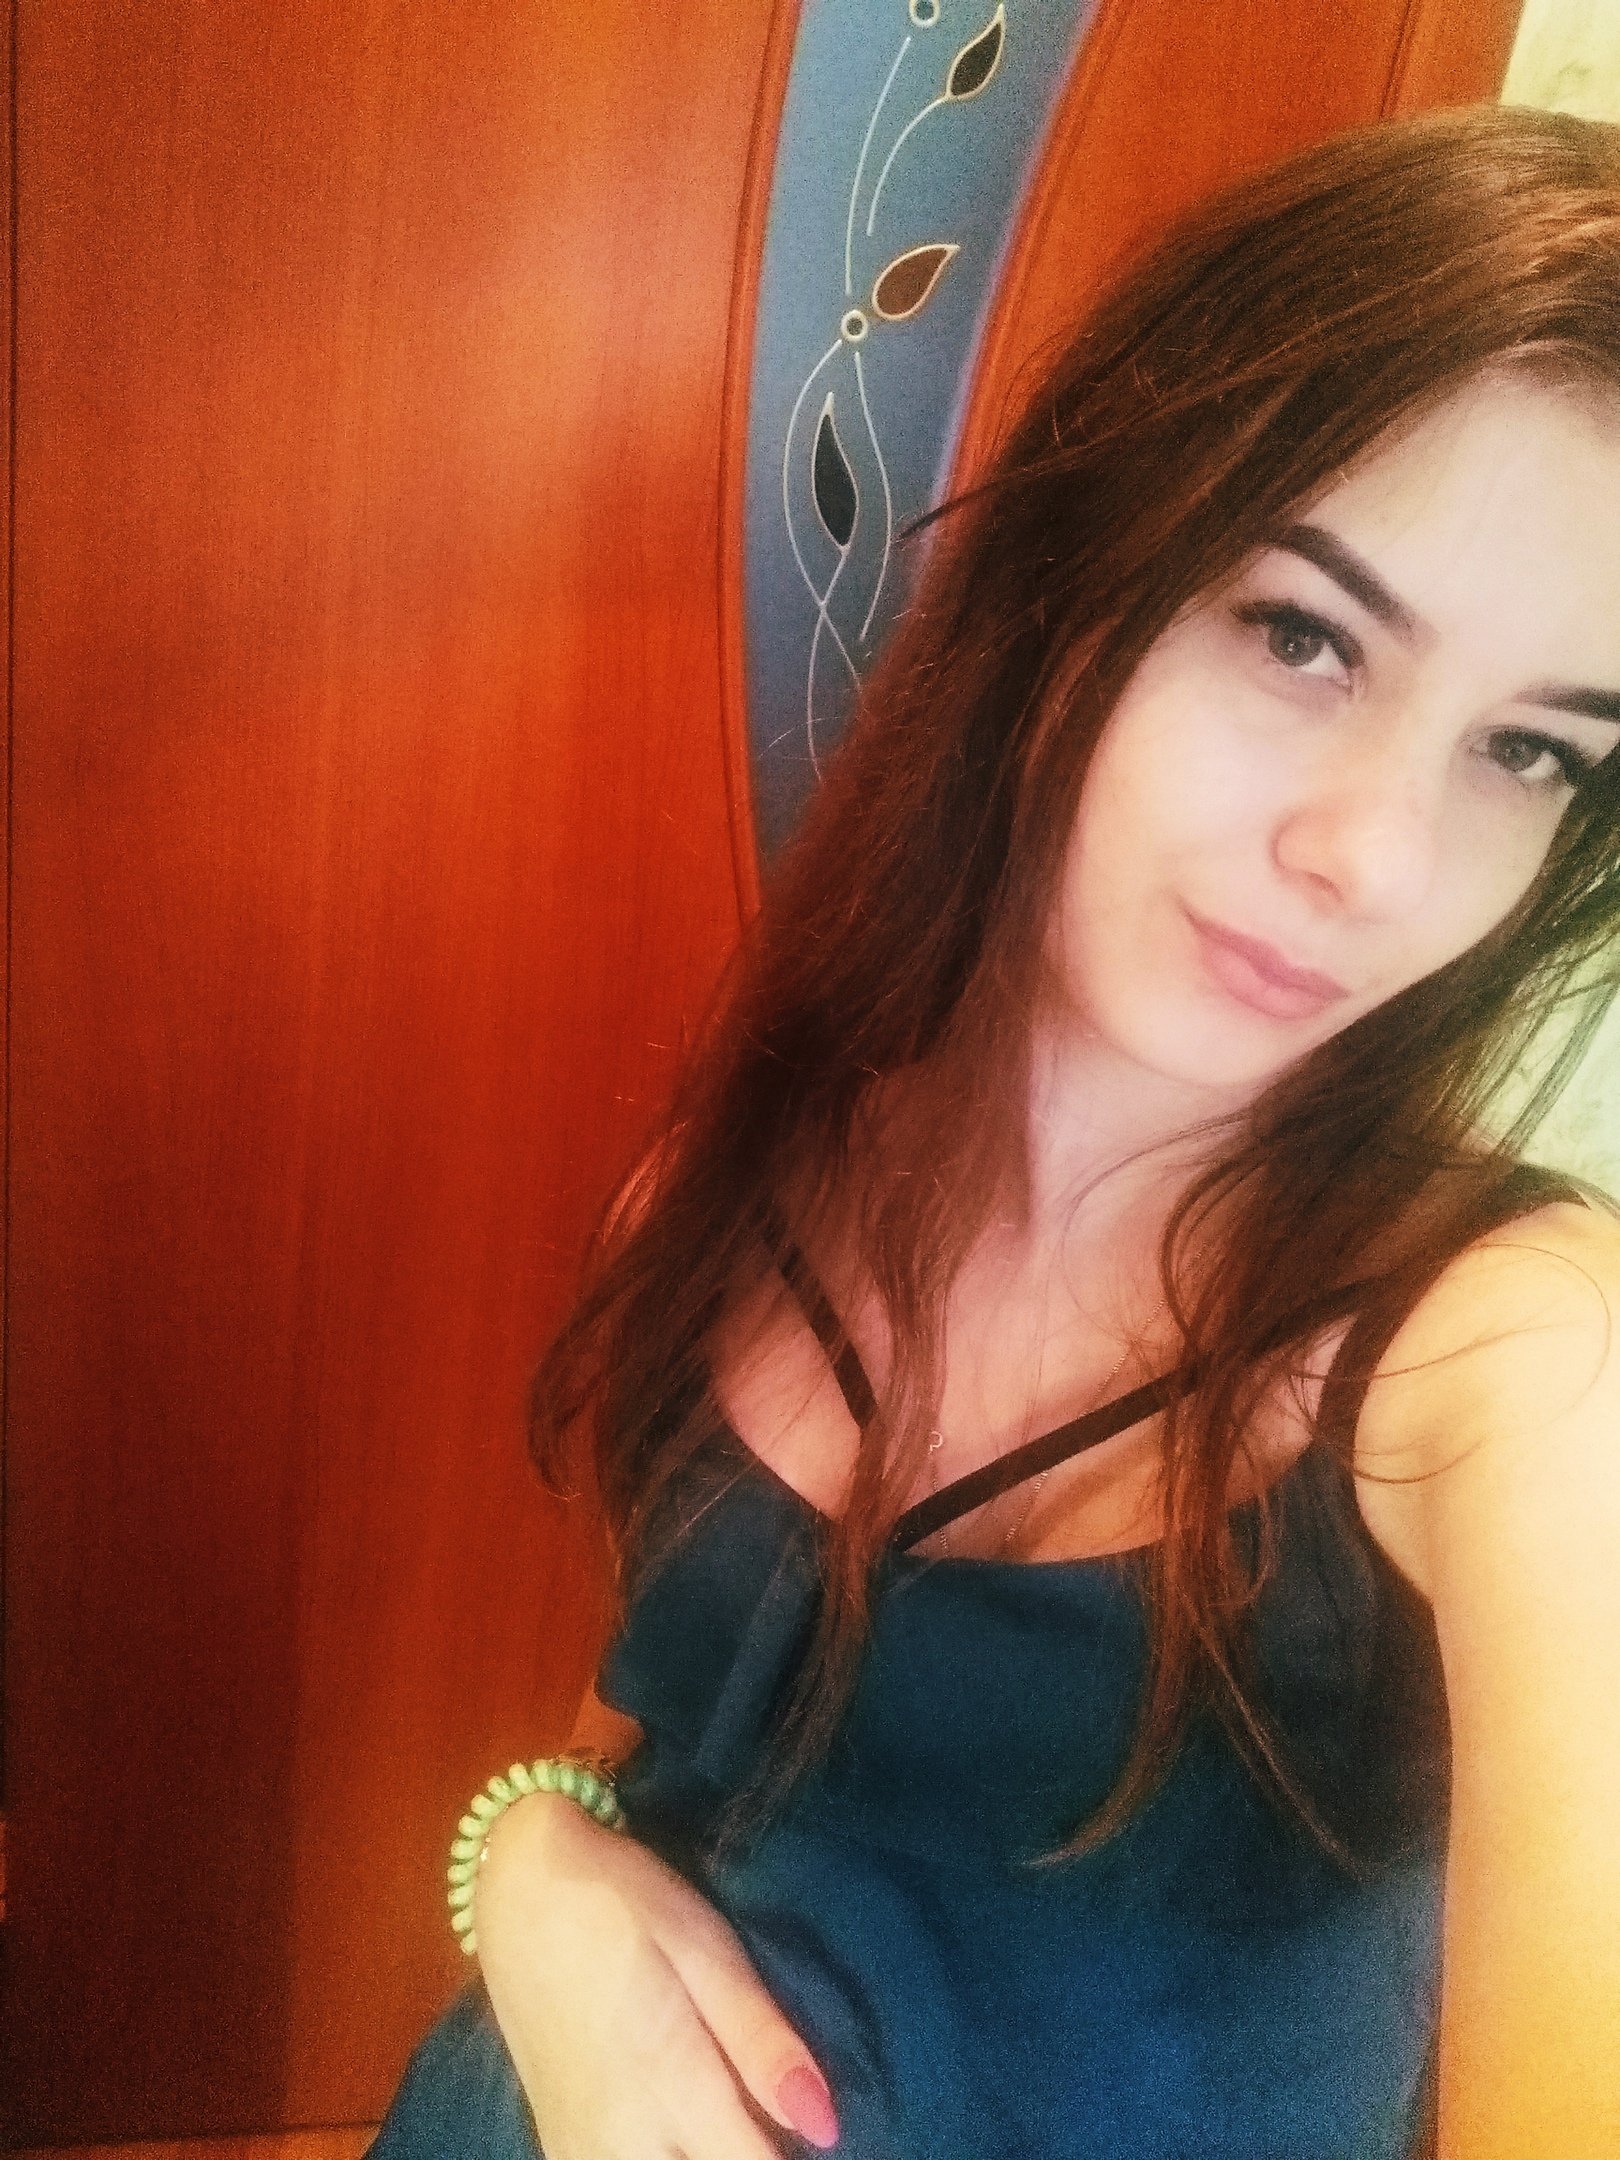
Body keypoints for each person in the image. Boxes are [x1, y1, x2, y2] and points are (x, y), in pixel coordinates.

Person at [368, 105, 1620, 2160]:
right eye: (1301, 634)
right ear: (1070, 590)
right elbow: (653, 1748)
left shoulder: (1515, 1373)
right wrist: (528, 1869)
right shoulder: (721, 1193)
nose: (1381, 856)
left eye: (1531, 750)